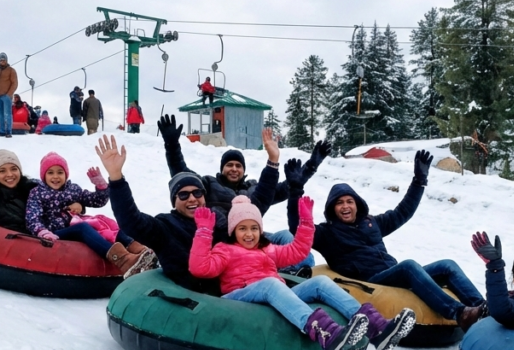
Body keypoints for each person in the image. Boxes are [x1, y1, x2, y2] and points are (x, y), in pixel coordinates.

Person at [190, 195, 416, 350]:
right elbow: (200, 268)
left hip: (273, 293)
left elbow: (297, 252)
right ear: (233, 231)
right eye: (242, 229)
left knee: (321, 283)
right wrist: (203, 232)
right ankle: (327, 335)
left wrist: (306, 224)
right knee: (270, 284)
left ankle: (377, 329)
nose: (249, 234)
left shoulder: (267, 249)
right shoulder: (225, 249)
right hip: (240, 296)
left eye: (254, 228)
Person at [291, 150, 486, 330]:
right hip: (373, 279)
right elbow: (297, 229)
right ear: (332, 208)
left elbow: (403, 212)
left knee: (447, 265)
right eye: (339, 203)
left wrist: (419, 181)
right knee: (408, 266)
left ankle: (483, 309)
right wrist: (295, 190)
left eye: (349, 201)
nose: (345, 206)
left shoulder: (371, 223)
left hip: (393, 272)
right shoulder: (327, 233)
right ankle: (459, 313)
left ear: (357, 204)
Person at [97, 130, 281, 293]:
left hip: (232, 290)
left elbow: (258, 203)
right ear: (174, 201)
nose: (192, 198)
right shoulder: (165, 226)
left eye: (197, 192)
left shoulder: (218, 220)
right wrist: (116, 178)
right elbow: (130, 220)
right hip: (194, 299)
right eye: (183, 195)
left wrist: (273, 162)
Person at [157, 114, 330, 214]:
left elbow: (290, 186)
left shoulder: (255, 189)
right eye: (229, 165)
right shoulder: (208, 185)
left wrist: (312, 165)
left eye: (238, 166)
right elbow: (181, 174)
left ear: (244, 170)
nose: (234, 169)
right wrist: (172, 145)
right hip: (219, 239)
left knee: (284, 237)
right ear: (222, 169)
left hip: (250, 239)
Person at [25, 151, 146, 276]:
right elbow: (32, 216)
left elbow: (96, 201)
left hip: (74, 224)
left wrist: (100, 186)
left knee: (105, 222)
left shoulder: (73, 189)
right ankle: (123, 259)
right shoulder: (37, 193)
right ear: (43, 175)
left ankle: (140, 250)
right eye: (50, 173)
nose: (55, 176)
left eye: (60, 172)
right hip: (54, 232)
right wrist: (42, 231)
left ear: (66, 174)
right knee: (82, 228)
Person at [0, 53, 18, 137]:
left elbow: (15, 83)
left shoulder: (11, 70)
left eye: (3, 60)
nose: (2, 61)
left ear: (6, 60)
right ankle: (1, 131)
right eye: (0, 60)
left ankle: (9, 131)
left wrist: (9, 94)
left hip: (6, 96)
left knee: (7, 114)